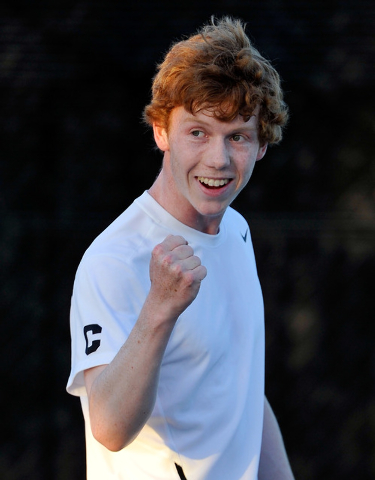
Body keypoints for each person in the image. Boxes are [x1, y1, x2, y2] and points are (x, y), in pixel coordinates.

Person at [67, 16, 294, 480]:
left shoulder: (237, 230)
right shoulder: (112, 260)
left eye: (238, 136)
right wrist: (160, 309)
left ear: (262, 145)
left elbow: (242, 392)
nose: (219, 159)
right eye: (198, 132)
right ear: (161, 132)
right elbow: (108, 428)